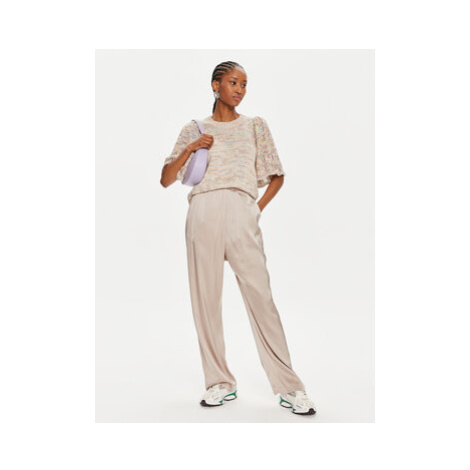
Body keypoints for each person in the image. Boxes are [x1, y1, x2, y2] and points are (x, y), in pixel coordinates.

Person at [160, 61, 316, 416]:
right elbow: (166, 178)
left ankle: (289, 386)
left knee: (262, 298)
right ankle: (219, 381)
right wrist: (190, 148)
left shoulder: (254, 125)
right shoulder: (194, 128)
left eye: (244, 84)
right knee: (205, 301)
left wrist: (254, 210)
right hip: (203, 212)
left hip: (243, 212)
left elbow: (276, 175)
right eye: (233, 82)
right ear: (216, 85)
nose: (240, 90)